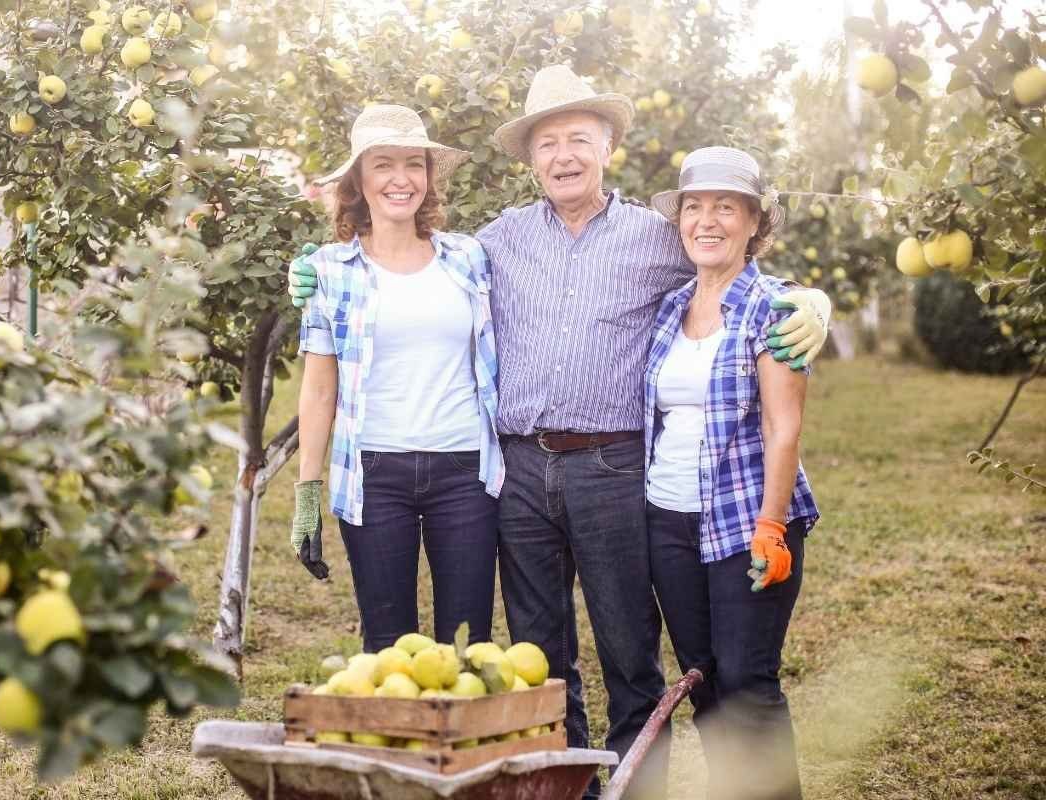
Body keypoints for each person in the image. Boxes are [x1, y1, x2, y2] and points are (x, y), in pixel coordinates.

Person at [289, 66, 831, 798]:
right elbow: (405, 264)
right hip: (517, 473)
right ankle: (565, 787)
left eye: (580, 138)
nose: (564, 155)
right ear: (531, 159)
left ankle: (639, 789)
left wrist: (811, 300)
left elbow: (730, 261)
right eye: (548, 142)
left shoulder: (653, 236)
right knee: (539, 654)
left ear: (607, 148)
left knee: (628, 651)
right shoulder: (495, 243)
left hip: (611, 469)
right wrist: (317, 270)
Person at [290, 104, 504, 653]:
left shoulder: (468, 258)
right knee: (388, 645)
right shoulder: (332, 271)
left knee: (467, 643)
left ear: (430, 177)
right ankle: (391, 742)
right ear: (359, 180)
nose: (400, 179)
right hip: (373, 474)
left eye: (414, 163)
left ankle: (460, 741)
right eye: (383, 164)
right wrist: (308, 490)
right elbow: (318, 389)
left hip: (465, 473)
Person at [642, 146, 820, 800]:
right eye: (695, 207)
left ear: (753, 222)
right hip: (667, 520)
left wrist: (771, 527)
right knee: (705, 682)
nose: (707, 220)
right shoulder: (668, 307)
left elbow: (784, 427)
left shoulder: (777, 309)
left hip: (747, 520)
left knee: (749, 682)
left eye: (726, 207)